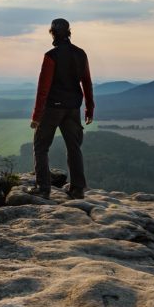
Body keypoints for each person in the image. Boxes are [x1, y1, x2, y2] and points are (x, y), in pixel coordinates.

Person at [29, 18, 94, 199]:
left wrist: (36, 116)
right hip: (73, 108)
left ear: (52, 32)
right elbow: (87, 83)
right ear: (69, 32)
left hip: (52, 109)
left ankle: (43, 188)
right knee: (74, 147)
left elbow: (43, 88)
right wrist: (89, 109)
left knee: (41, 146)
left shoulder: (51, 56)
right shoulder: (80, 54)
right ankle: (77, 189)